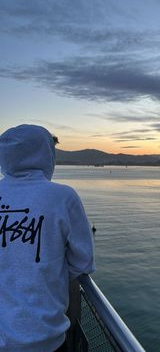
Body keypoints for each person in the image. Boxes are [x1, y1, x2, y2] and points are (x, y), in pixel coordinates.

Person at [0, 124, 95, 352]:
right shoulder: (63, 197)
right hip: (45, 338)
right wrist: (51, 269)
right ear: (46, 154)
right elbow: (83, 261)